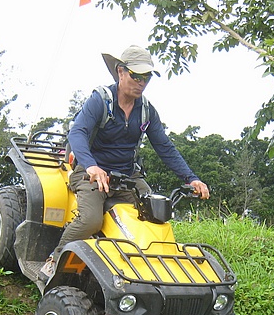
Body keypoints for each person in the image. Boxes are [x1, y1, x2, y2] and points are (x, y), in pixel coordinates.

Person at [39, 45, 210, 281]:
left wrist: (191, 178)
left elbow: (165, 147)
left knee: (154, 215)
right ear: (121, 72)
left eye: (146, 78)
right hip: (91, 173)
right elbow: (77, 132)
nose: (141, 83)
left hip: (128, 176)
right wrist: (91, 166)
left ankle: (148, 272)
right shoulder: (101, 101)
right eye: (136, 76)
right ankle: (55, 259)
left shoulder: (147, 111)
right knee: (90, 219)